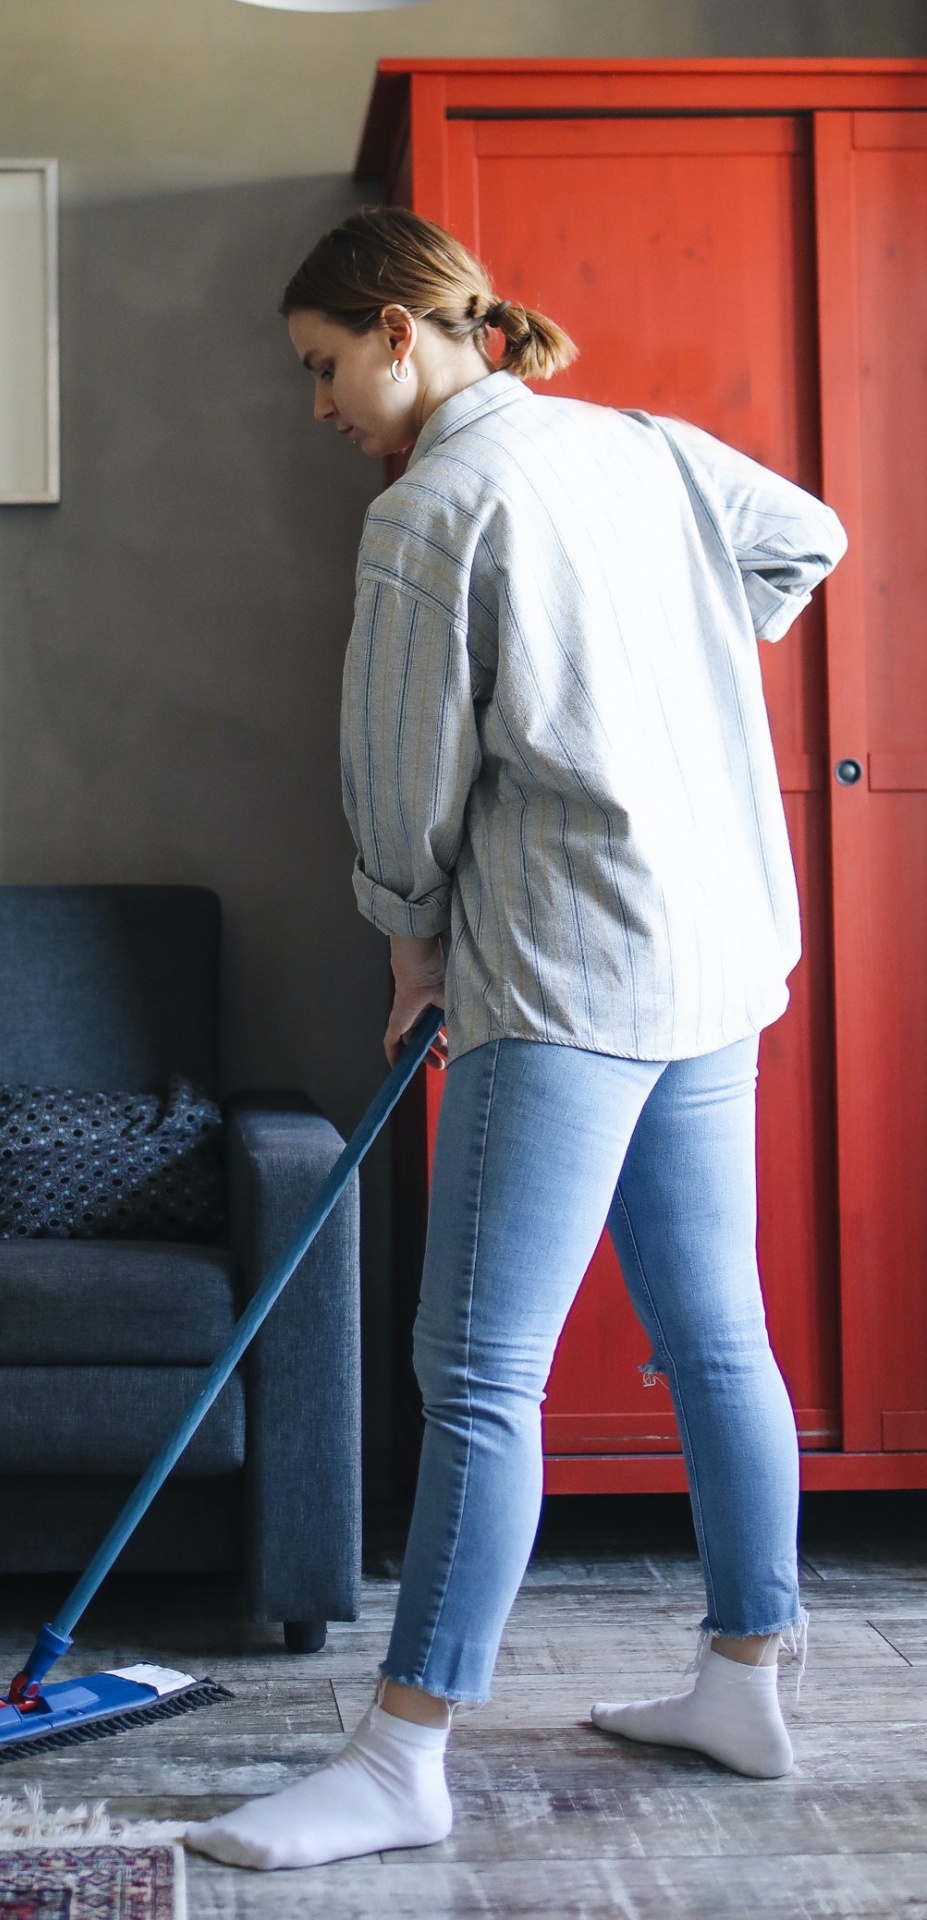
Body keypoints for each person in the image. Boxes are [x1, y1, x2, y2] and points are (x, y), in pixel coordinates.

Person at [185, 206, 847, 1873]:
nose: (318, 405)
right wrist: (667, 672)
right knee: (720, 1336)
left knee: (478, 1377)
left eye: (325, 367)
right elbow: (811, 539)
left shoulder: (433, 510)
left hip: (561, 975)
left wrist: (410, 945)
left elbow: (404, 792)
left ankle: (404, 1756)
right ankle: (747, 1680)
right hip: (712, 954)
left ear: (402, 333)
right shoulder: (647, 447)